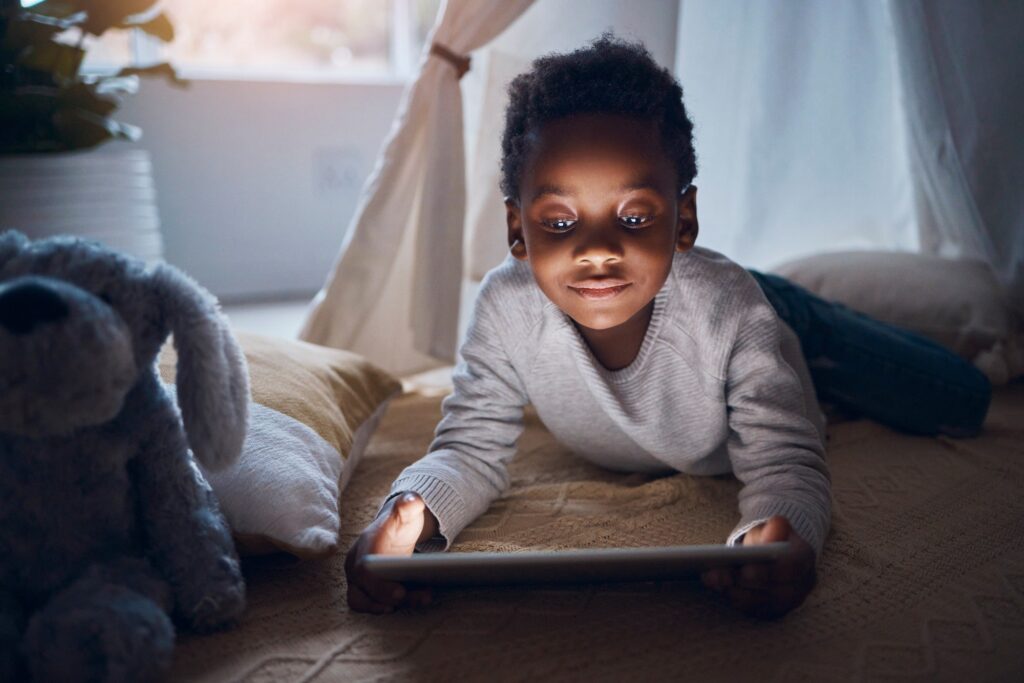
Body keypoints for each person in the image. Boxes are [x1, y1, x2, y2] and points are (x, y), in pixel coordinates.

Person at [345, 35, 992, 619]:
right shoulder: (506, 306)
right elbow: (469, 448)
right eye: (561, 223)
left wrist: (783, 527)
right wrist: (411, 513)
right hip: (707, 304)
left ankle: (804, 318)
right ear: (517, 230)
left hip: (761, 311)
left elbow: (787, 463)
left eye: (632, 217)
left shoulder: (732, 311)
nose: (597, 250)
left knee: (959, 398)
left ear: (683, 220)